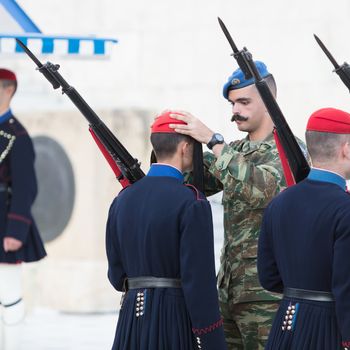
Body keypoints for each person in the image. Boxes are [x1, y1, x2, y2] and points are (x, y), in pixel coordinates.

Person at [168, 61, 306, 349]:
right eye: (232, 104)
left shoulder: (289, 149)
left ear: (269, 102)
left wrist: (213, 141)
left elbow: (262, 189)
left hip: (268, 296)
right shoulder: (237, 151)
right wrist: (173, 147)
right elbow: (193, 184)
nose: (235, 111)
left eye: (244, 102)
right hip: (229, 292)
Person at [105, 111, 227, 350]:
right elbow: (199, 283)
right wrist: (213, 341)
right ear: (184, 147)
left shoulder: (122, 199)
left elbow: (116, 276)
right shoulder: (192, 202)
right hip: (173, 318)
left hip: (131, 318)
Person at [257, 107, 350, 349]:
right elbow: (346, 286)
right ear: (346, 149)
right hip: (329, 330)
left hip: (285, 326)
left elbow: (268, 277)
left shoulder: (278, 203)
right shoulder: (345, 207)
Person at [0, 68, 46, 349]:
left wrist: (16, 230)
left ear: (8, 90)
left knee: (9, 293)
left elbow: (27, 187)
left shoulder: (17, 134)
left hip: (4, 223)